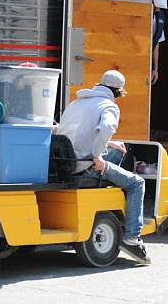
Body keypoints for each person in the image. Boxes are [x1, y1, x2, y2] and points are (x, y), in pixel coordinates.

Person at [57, 70, 149, 264]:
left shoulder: (76, 103)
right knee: (137, 183)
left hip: (65, 164)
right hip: (84, 167)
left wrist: (109, 144)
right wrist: (98, 156)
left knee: (119, 150)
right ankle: (132, 238)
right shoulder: (109, 106)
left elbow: (79, 135)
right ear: (118, 91)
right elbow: (106, 128)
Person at [151, 0, 168, 85]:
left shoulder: (158, 18)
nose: (158, 8)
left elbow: (156, 42)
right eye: (157, 4)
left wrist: (155, 68)